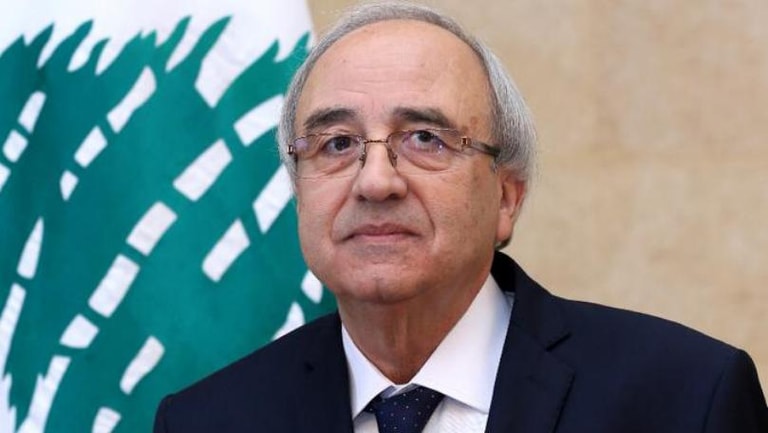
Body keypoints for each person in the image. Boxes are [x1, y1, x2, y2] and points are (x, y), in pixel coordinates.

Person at [153, 2, 768, 432]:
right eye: (336, 143)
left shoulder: (685, 400)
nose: (375, 181)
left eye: (425, 138)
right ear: (299, 193)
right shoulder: (206, 420)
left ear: (506, 197)